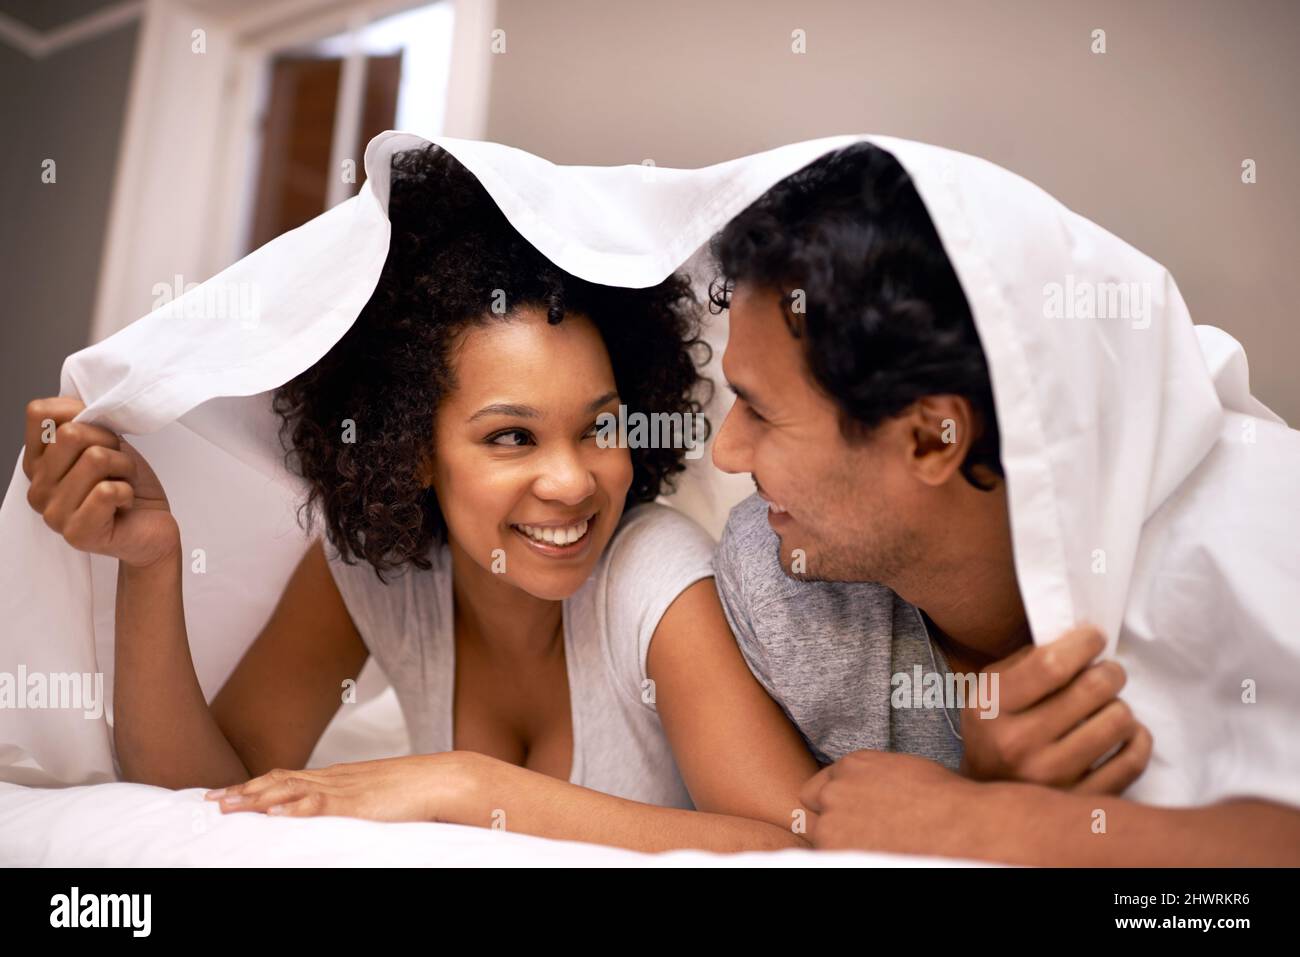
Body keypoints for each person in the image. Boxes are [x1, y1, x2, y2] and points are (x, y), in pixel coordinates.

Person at [22, 144, 820, 852]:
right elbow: (205, 795)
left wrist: (466, 785)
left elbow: (789, 846)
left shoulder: (655, 575)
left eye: (599, 428)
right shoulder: (372, 571)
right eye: (511, 436)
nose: (574, 480)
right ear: (411, 452)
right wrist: (151, 563)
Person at [708, 140, 1300, 865]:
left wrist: (994, 823)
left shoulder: (1259, 538)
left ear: (931, 437)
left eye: (761, 413)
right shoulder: (773, 580)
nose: (725, 453)